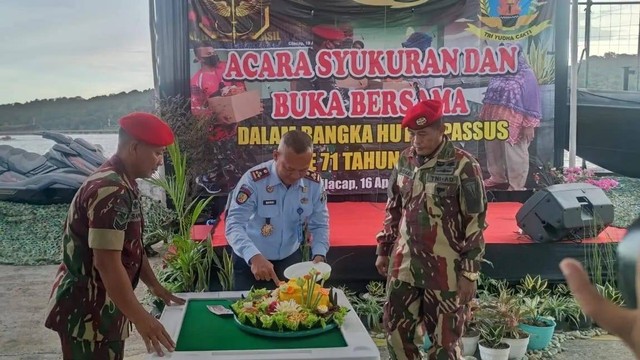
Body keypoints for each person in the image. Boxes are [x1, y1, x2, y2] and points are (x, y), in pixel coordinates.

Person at [44, 112, 185, 360]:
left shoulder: (122, 181)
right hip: (88, 312)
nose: (160, 161)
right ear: (133, 148)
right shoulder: (111, 189)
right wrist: (142, 318)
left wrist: (155, 287)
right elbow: (107, 263)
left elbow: (131, 248)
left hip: (105, 306)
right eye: (157, 153)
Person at [375, 100, 487, 360]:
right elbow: (393, 207)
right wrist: (384, 249)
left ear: (441, 130)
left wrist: (469, 274)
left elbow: (476, 221)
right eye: (412, 134)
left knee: (445, 345)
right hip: (403, 266)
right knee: (396, 337)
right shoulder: (405, 159)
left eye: (422, 134)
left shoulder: (463, 165)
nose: (416, 141)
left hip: (445, 272)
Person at [225, 130, 330, 290]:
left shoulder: (313, 184)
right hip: (252, 260)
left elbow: (320, 224)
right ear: (275, 156)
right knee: (249, 310)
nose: (296, 175)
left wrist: (319, 254)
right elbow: (234, 224)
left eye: (303, 170)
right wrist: (253, 256)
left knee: (291, 311)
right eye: (289, 169)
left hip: (290, 260)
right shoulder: (254, 181)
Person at [478, 43, 541, 191]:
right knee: (493, 150)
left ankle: (516, 186)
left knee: (515, 154)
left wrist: (529, 124)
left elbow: (533, 99)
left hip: (514, 121)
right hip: (493, 118)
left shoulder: (526, 74)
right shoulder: (498, 71)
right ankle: (497, 177)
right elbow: (490, 94)